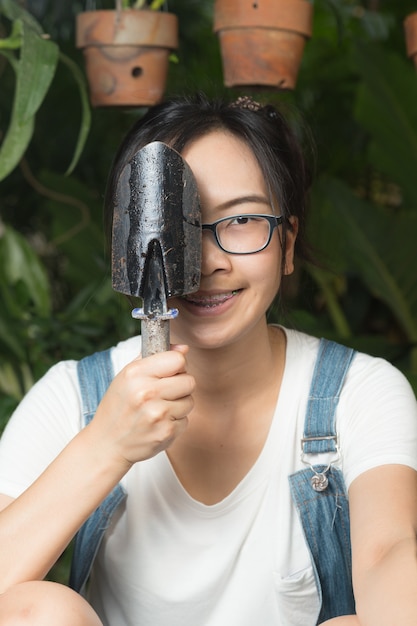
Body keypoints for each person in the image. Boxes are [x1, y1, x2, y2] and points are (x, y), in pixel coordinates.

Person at [0, 93, 416, 626]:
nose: (209, 261)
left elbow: (388, 555)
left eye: (240, 219)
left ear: (286, 245)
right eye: (179, 224)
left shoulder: (359, 393)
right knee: (39, 611)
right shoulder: (70, 397)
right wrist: (104, 445)